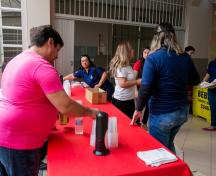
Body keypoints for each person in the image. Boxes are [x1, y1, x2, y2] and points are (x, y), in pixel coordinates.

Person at [0, 25, 98, 176]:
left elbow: (27, 95)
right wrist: (91, 112)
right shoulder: (41, 66)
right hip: (20, 142)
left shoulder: (16, 60)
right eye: (57, 50)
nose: (56, 56)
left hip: (6, 135)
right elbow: (65, 106)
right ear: (50, 43)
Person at [130, 22, 200, 153]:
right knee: (168, 144)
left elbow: (146, 88)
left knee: (159, 151)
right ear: (173, 37)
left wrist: (138, 109)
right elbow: (195, 80)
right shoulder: (185, 57)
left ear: (156, 38)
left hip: (163, 113)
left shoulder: (153, 58)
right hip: (182, 112)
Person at [109, 41, 141, 119]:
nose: (133, 50)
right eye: (131, 49)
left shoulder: (127, 66)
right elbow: (122, 84)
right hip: (122, 102)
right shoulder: (121, 67)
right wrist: (137, 82)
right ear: (126, 52)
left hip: (128, 99)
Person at [133, 47, 150, 128]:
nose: (147, 54)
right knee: (139, 107)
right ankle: (137, 122)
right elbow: (134, 78)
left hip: (149, 89)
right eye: (145, 52)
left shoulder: (152, 63)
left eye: (148, 53)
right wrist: (135, 90)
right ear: (142, 54)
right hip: (140, 89)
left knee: (148, 107)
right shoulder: (138, 63)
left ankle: (144, 122)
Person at [184, 45, 196, 113]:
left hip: (188, 82)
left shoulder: (187, 59)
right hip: (187, 82)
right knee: (187, 96)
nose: (191, 55)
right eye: (191, 53)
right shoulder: (186, 60)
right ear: (186, 52)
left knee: (188, 96)